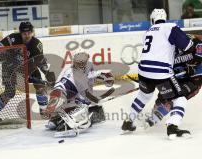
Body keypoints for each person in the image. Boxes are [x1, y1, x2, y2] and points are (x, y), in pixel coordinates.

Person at [121, 9, 196, 139]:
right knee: (180, 98)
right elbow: (188, 46)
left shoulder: (147, 31)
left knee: (143, 96)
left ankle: (128, 122)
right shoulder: (171, 27)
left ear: (152, 19)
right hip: (161, 72)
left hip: (143, 70)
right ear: (165, 18)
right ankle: (173, 127)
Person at [0, 21, 55, 122]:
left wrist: (47, 72)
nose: (27, 35)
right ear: (20, 33)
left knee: (40, 85)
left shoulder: (37, 44)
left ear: (32, 32)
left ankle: (43, 110)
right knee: (10, 92)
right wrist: (8, 61)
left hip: (28, 67)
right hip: (10, 68)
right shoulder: (13, 38)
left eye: (29, 33)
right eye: (24, 33)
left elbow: (40, 60)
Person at [42, 52, 114, 137]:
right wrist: (97, 100)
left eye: (83, 62)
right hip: (64, 97)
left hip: (70, 98)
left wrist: (107, 77)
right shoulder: (74, 74)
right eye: (79, 62)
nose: (81, 64)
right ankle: (61, 119)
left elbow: (95, 75)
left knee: (85, 106)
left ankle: (60, 119)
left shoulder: (83, 71)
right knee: (79, 105)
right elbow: (60, 89)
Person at [145, 34, 202, 127]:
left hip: (193, 80)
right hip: (176, 77)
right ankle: (155, 115)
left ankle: (166, 120)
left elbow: (198, 40)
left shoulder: (192, 42)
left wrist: (192, 67)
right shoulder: (166, 51)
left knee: (177, 96)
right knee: (162, 98)